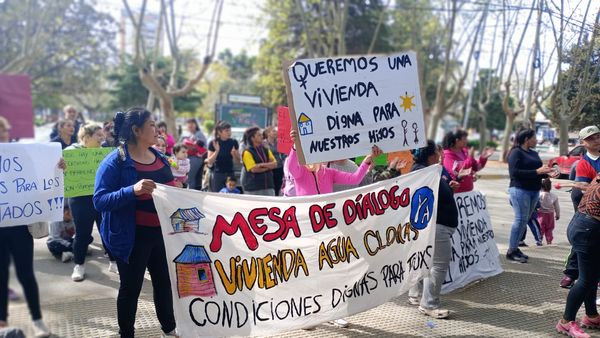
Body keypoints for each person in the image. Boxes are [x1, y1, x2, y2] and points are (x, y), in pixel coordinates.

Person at [93, 108, 177, 338]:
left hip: (161, 234)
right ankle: (126, 333)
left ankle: (169, 328)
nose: (157, 130)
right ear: (136, 130)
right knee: (131, 289)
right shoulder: (115, 162)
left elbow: (170, 188)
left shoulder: (158, 156)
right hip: (131, 237)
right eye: (151, 125)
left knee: (163, 283)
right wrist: (132, 190)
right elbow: (99, 200)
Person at [287, 129, 380, 328]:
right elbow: (291, 167)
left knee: (331, 271)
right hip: (307, 230)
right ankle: (307, 314)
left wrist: (367, 160)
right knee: (309, 272)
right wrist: (295, 146)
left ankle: (332, 312)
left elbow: (354, 178)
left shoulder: (328, 173)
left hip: (328, 230)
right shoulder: (300, 172)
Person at [0, 125, 56, 337]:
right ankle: (2, 321)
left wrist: (55, 170)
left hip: (20, 226)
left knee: (26, 274)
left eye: (2, 132)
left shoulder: (22, 156)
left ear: (8, 133)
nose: (1, 136)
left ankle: (37, 318)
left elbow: (38, 183)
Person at [407, 140, 459, 319]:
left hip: (436, 226)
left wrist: (447, 188)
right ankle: (429, 304)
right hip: (435, 227)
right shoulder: (424, 172)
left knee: (424, 262)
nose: (440, 155)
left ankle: (416, 295)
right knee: (437, 265)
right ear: (431, 156)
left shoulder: (425, 170)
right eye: (437, 152)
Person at [66, 123, 117, 281]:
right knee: (82, 234)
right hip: (80, 199)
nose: (102, 138)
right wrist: (61, 165)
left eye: (102, 135)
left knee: (106, 230)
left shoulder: (105, 153)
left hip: (102, 197)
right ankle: (79, 265)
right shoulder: (70, 153)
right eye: (98, 136)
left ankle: (113, 261)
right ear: (87, 137)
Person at [555, 173, 600, 338]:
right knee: (586, 280)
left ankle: (592, 316)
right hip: (588, 229)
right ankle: (566, 322)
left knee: (591, 276)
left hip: (583, 224)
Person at [506, 128, 557, 263]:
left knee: (525, 220)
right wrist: (537, 171)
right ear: (526, 139)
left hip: (534, 191)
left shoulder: (534, 153)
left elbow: (538, 172)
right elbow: (514, 173)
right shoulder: (516, 153)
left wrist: (548, 173)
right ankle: (511, 251)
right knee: (520, 219)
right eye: (534, 138)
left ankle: (515, 248)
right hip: (519, 190)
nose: (537, 140)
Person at [561, 126, 600, 288]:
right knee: (583, 240)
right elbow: (582, 186)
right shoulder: (583, 163)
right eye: (591, 139)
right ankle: (571, 272)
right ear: (583, 143)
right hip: (587, 207)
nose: (597, 140)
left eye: (598, 136)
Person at [241, 126, 277, 196]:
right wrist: (268, 167)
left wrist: (261, 165)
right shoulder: (247, 152)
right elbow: (254, 169)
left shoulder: (266, 149)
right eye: (259, 135)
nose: (262, 137)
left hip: (268, 186)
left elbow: (275, 164)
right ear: (252, 138)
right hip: (253, 187)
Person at [206, 121, 240, 192]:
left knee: (230, 197)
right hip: (217, 174)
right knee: (217, 196)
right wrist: (217, 151)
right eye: (226, 131)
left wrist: (234, 154)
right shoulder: (213, 142)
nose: (229, 133)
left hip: (230, 173)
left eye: (230, 130)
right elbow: (210, 161)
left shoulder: (234, 142)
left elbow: (237, 162)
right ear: (219, 132)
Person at [263, 126, 287, 195]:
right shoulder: (264, 143)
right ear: (268, 133)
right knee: (270, 187)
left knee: (278, 186)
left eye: (276, 131)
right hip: (269, 168)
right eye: (273, 131)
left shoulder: (278, 142)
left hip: (279, 167)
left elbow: (283, 154)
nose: (276, 132)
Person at [537, 178, 560, 245]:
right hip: (550, 215)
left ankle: (539, 240)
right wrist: (558, 214)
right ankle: (549, 241)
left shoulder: (539, 195)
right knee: (549, 229)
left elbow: (535, 204)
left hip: (540, 214)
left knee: (540, 228)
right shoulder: (554, 196)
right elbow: (557, 207)